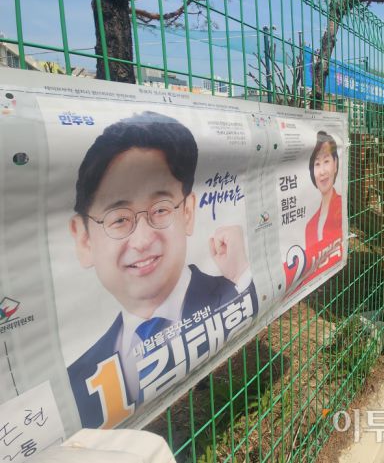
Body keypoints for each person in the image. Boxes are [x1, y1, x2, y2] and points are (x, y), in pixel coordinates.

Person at [67, 111, 257, 428]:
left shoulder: (234, 289)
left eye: (160, 210)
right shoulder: (79, 376)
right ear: (84, 239)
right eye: (119, 219)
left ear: (187, 212)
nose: (142, 240)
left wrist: (241, 275)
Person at [304, 131, 343, 280]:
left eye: (326, 161)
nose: (322, 172)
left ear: (335, 164)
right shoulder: (309, 226)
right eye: (317, 164)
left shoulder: (341, 207)